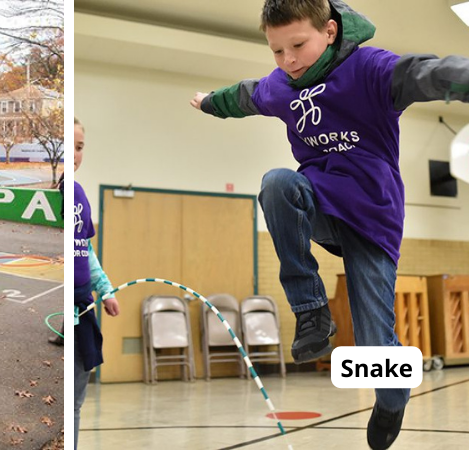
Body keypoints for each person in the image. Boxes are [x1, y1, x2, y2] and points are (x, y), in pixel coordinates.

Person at [190, 1, 469, 448]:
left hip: (371, 218)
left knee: (375, 337)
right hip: (319, 204)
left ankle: (393, 399)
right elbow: (244, 95)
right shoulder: (281, 85)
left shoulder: (368, 68)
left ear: (331, 31)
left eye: (298, 45)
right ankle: (311, 314)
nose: (289, 61)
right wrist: (209, 104)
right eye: (277, 51)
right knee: (278, 183)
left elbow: (427, 73)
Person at [73, 117, 120, 449]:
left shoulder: (79, 194)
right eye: (70, 145)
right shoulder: (61, 192)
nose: (75, 154)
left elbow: (85, 249)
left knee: (77, 399)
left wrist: (105, 289)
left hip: (83, 304)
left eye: (79, 147)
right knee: (71, 402)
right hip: (70, 304)